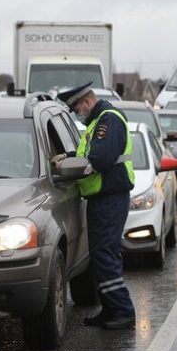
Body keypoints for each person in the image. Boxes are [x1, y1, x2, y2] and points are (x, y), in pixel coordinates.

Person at [55, 82, 136, 329]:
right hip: (101, 197)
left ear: (86, 102)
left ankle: (123, 310)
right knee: (100, 255)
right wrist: (68, 158)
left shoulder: (107, 120)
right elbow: (87, 154)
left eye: (78, 109)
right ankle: (110, 308)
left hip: (110, 197)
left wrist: (67, 166)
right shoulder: (95, 123)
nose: (78, 115)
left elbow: (99, 159)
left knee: (105, 254)